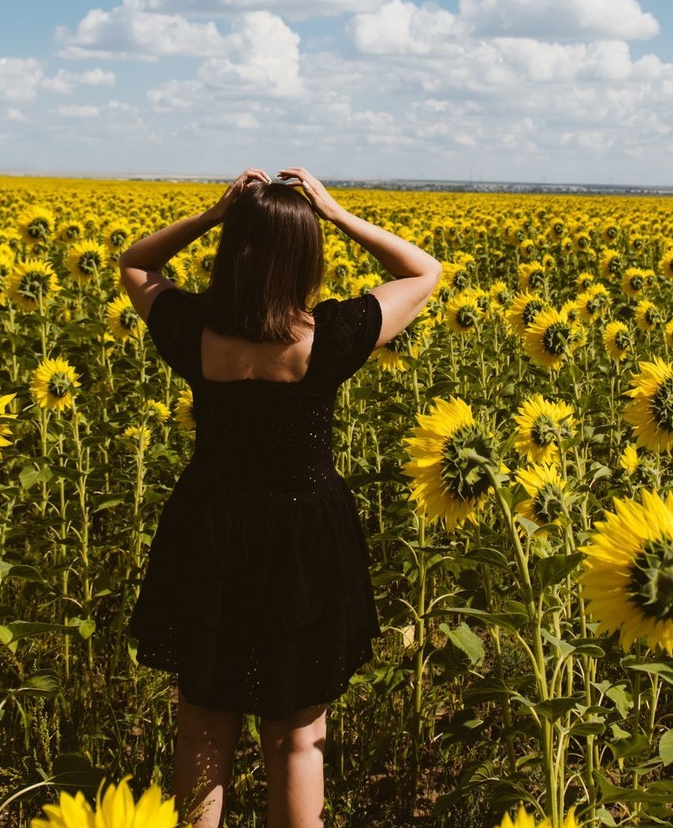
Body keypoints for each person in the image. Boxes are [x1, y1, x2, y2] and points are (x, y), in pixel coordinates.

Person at [117, 167, 442, 828]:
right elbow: (422, 272)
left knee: (205, 729)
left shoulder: (197, 332)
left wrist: (213, 216)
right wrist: (334, 211)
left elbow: (136, 263)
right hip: (304, 541)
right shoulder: (330, 337)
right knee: (297, 736)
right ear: (307, 256)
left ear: (229, 253)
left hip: (210, 529)